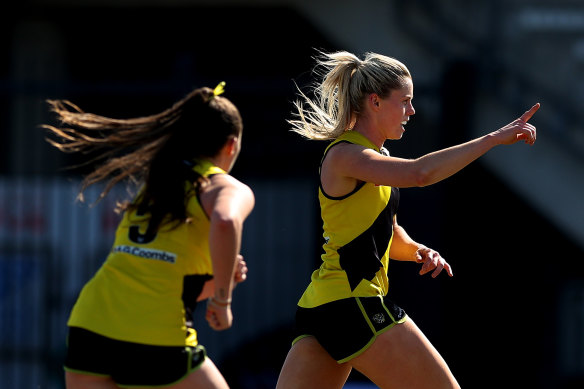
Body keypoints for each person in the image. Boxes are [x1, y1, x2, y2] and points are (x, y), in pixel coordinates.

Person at [275, 50, 539, 389]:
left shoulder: (373, 157)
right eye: (405, 101)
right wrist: (491, 139)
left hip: (324, 309)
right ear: (375, 102)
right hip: (354, 304)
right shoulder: (346, 155)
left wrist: (418, 250)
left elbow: (387, 232)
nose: (412, 111)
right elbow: (420, 173)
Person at [43, 82, 255, 389]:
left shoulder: (156, 186)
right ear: (232, 145)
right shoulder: (223, 186)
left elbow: (158, 279)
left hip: (89, 326)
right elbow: (225, 221)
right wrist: (223, 300)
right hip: (156, 335)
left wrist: (220, 280)